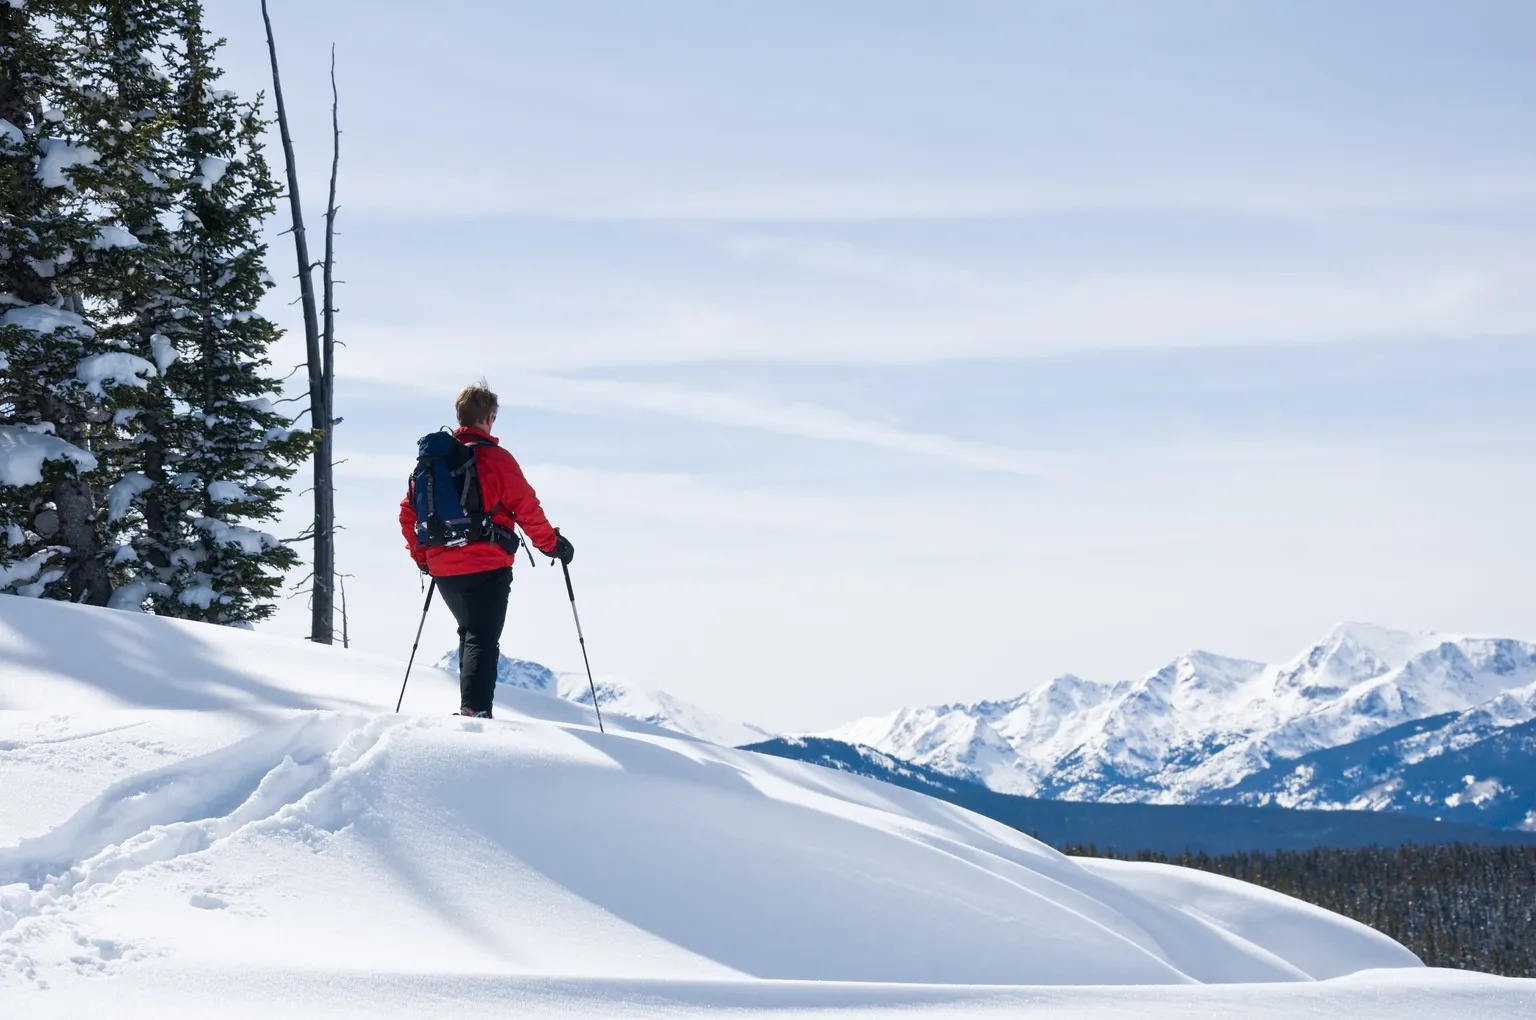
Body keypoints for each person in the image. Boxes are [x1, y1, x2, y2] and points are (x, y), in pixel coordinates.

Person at [399, 383, 574, 718]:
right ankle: (475, 713)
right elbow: (526, 508)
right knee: (482, 636)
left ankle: (471, 709)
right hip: (487, 564)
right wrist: (553, 546)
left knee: (470, 632)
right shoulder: (497, 460)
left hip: (442, 567)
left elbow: (408, 513)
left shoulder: (431, 463)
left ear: (459, 416)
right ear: (490, 418)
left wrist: (423, 557)